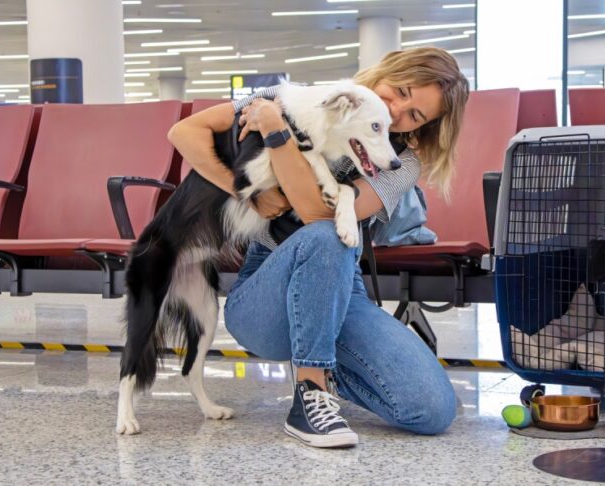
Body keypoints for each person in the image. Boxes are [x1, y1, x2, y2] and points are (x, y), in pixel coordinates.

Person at [167, 47, 469, 448]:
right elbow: (184, 132)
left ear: (424, 128)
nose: (396, 112)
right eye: (399, 91)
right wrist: (245, 194)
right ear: (385, 73)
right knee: (332, 235)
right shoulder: (295, 97)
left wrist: (276, 133)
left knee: (431, 409)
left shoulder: (402, 164)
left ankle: (325, 364)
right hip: (265, 288)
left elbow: (314, 214)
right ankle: (310, 396)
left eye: (415, 115)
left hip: (341, 289)